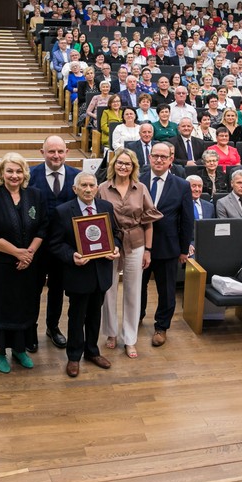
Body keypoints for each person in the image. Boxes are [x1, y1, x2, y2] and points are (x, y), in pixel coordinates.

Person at [0, 153, 47, 373]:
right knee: (1, 307)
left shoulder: (36, 195)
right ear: (2, 173)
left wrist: (30, 254)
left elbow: (43, 227)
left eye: (18, 171)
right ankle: (0, 351)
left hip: (29, 264)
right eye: (9, 171)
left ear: (25, 173)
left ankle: (20, 349)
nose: (14, 175)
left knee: (25, 306)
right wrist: (18, 253)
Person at [50, 172, 120, 378]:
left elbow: (114, 234)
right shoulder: (62, 211)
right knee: (76, 316)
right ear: (75, 189)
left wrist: (115, 248)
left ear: (97, 188)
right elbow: (55, 244)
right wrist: (72, 255)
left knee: (95, 315)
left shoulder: (106, 208)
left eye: (92, 185)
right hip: (78, 273)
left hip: (101, 273)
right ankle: (73, 356)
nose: (88, 189)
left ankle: (92, 351)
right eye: (84, 186)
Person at [98, 149, 161, 359]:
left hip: (136, 243)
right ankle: (111, 332)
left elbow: (149, 222)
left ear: (133, 167)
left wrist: (148, 251)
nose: (123, 167)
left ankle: (130, 338)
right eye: (119, 163)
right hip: (111, 244)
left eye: (127, 164)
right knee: (109, 289)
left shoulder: (141, 188)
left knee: (133, 292)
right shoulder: (102, 188)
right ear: (113, 164)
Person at [139, 141, 193, 347]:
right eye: (155, 156)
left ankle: (161, 327)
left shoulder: (182, 185)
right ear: (149, 157)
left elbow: (187, 220)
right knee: (138, 287)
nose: (159, 159)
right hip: (139, 246)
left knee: (167, 291)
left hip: (168, 247)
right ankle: (137, 316)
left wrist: (183, 249)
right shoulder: (138, 181)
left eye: (164, 156)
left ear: (171, 159)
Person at [29, 136, 80, 350]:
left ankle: (53, 327)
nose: (56, 156)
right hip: (37, 245)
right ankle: (29, 330)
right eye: (51, 152)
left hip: (64, 247)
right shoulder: (30, 176)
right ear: (42, 152)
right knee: (32, 289)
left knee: (57, 289)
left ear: (67, 152)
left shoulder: (78, 177)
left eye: (60, 151)